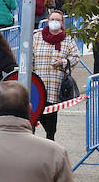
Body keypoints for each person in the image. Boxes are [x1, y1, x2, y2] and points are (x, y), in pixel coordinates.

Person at [32, 9, 79, 142]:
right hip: (37, 85)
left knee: (51, 121)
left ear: (62, 22)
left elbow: (76, 57)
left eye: (57, 20)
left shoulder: (67, 39)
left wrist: (63, 62)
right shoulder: (37, 37)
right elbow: (30, 56)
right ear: (47, 21)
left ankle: (50, 145)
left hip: (54, 86)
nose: (54, 22)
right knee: (36, 116)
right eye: (52, 19)